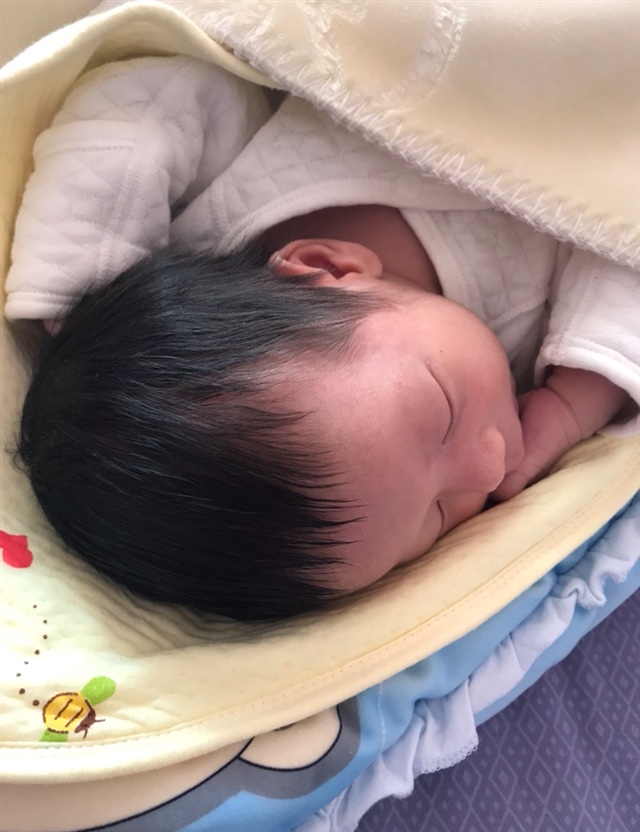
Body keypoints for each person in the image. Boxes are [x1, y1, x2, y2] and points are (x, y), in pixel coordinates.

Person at [7, 57, 639, 620]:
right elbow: (622, 239)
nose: (491, 466)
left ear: (324, 267)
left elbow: (145, 97)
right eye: (437, 516)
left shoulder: (238, 187)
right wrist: (577, 397)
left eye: (442, 411)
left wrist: (76, 287)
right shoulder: (523, 350)